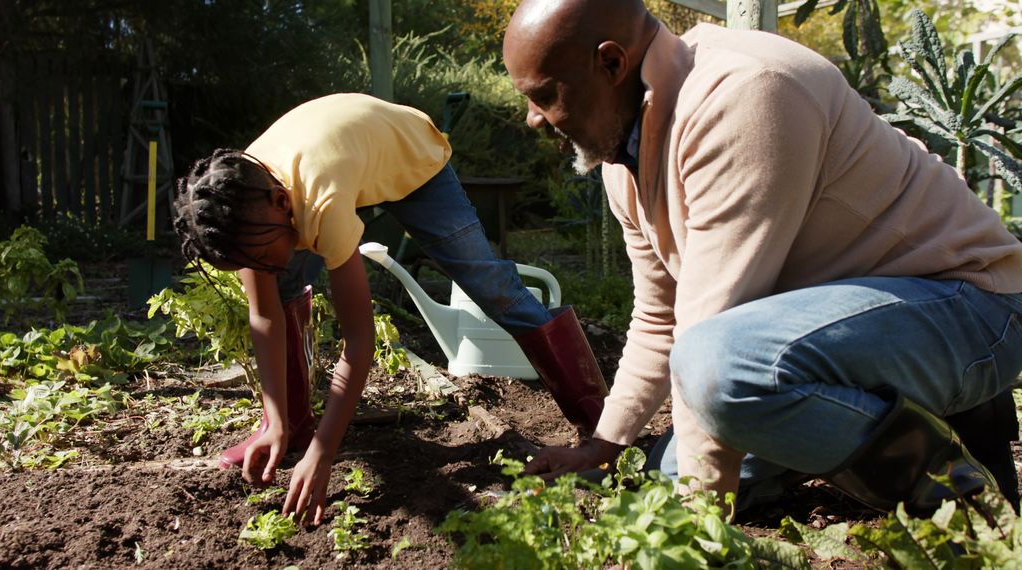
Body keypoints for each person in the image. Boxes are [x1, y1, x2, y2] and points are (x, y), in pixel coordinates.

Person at [502, 0, 1022, 514]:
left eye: (544, 95)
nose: (532, 119)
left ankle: (959, 491)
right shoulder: (624, 153)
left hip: (969, 303)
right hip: (850, 331)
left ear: (611, 63)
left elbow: (709, 327)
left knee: (720, 377)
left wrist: (698, 523)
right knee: (670, 465)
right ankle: (906, 415)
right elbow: (661, 314)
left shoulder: (746, 94)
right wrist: (605, 445)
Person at [171, 93, 609, 524]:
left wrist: (326, 456)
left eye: (265, 255)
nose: (266, 268)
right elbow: (265, 316)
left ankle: (600, 426)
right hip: (342, 152)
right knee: (280, 291)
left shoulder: (320, 203)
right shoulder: (235, 212)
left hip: (409, 154)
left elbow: (359, 341)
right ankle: (294, 430)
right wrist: (275, 424)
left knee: (488, 283)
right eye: (251, 264)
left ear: (282, 204)